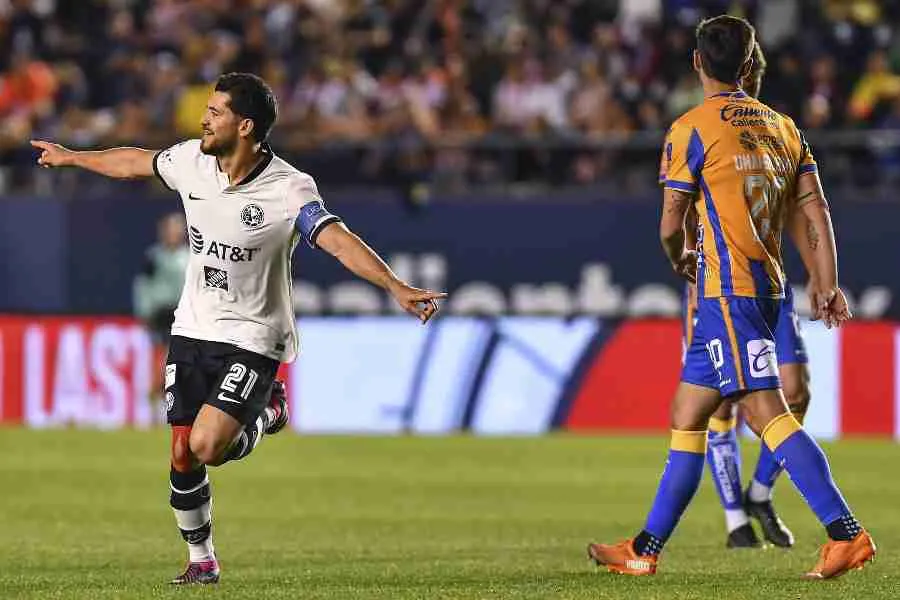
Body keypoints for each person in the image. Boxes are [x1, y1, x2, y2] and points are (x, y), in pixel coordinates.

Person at [31, 72, 446, 585]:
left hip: (255, 335)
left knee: (209, 447)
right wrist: (73, 157)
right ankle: (202, 560)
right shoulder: (191, 162)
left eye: (216, 111)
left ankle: (268, 412)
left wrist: (395, 285)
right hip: (193, 326)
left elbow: (335, 238)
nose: (204, 118)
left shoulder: (289, 188)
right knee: (182, 450)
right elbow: (133, 162)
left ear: (245, 126)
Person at [588, 15, 875, 579]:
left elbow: (672, 222)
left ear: (698, 63)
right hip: (765, 289)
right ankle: (645, 550)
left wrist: (678, 259)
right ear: (750, 64)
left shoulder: (691, 128)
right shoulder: (783, 128)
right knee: (688, 411)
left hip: (726, 293)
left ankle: (846, 533)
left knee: (765, 411)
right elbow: (815, 212)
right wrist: (826, 280)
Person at [681, 42, 811, 549]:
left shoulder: (774, 128)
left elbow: (803, 208)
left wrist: (822, 273)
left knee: (795, 392)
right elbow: (683, 212)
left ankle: (760, 493)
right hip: (718, 285)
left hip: (771, 286)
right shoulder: (700, 130)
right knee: (722, 402)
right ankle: (736, 520)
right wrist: (694, 285)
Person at [133, 212, 190, 414]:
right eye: (172, 229)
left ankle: (168, 401)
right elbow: (143, 286)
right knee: (163, 359)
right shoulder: (155, 257)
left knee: (178, 362)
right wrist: (144, 311)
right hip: (161, 314)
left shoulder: (189, 257)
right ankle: (156, 402)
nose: (175, 233)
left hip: (183, 314)